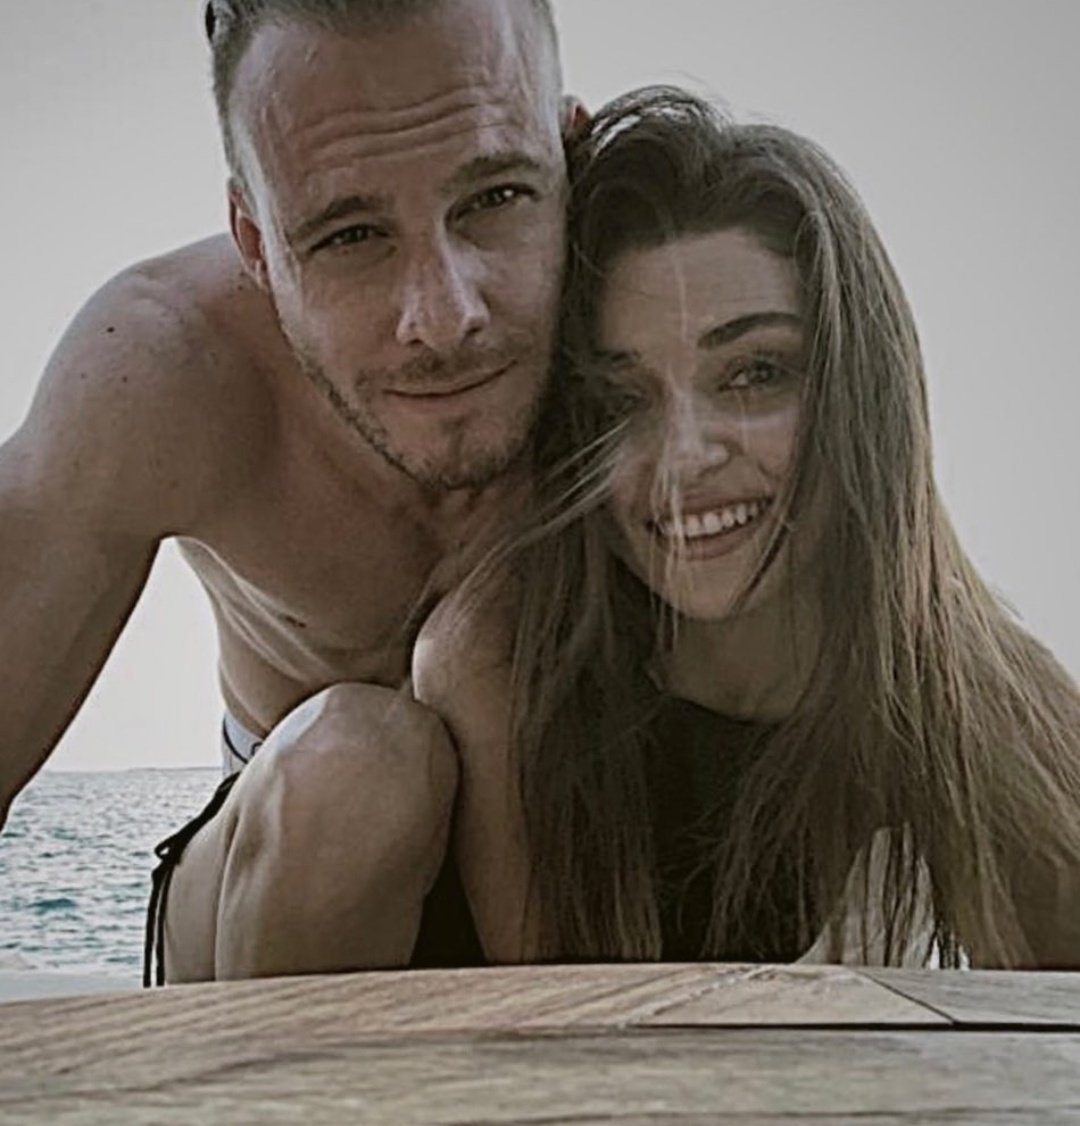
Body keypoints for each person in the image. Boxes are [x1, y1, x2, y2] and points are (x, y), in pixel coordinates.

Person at [414, 88, 1080, 969]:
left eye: (755, 373)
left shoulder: (997, 709)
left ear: (859, 392)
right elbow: (566, 1033)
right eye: (621, 400)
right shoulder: (499, 659)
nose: (685, 456)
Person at [0, 0, 586, 983]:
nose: (445, 317)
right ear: (255, 241)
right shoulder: (166, 365)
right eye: (352, 235)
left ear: (574, 156)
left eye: (494, 196)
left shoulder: (674, 324)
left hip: (592, 858)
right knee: (356, 771)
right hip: (285, 878)